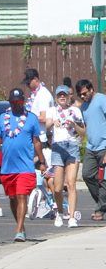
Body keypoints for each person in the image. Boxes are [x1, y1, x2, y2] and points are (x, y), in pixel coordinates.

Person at [0, 88, 47, 242]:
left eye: (19, 101)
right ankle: (21, 227)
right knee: (12, 198)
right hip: (8, 167)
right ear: (10, 102)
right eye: (13, 102)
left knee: (22, 196)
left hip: (25, 166)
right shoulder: (2, 118)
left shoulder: (31, 118)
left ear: (24, 101)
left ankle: (18, 232)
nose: (16, 104)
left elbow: (36, 142)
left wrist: (42, 161)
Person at [48, 84, 84, 227]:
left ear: (69, 96)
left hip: (72, 146)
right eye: (59, 95)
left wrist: (74, 125)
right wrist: (52, 123)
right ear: (56, 98)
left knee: (71, 183)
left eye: (64, 95)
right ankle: (60, 212)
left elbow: (83, 132)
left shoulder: (75, 110)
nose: (62, 97)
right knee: (57, 187)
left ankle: (72, 217)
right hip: (58, 147)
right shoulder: (52, 110)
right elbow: (46, 127)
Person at [77, 80, 106, 221]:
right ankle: (102, 205)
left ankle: (100, 209)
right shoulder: (83, 107)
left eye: (84, 93)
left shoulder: (101, 100)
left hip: (104, 146)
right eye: (80, 95)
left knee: (104, 181)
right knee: (87, 174)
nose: (83, 97)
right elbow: (86, 129)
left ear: (91, 89)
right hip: (91, 147)